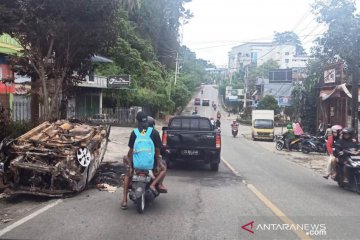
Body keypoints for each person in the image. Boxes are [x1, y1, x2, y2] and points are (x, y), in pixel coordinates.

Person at [121, 112, 167, 210]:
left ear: (137, 121)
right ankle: (156, 184)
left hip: (136, 164)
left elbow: (130, 151)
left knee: (127, 174)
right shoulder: (154, 133)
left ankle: (124, 201)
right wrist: (159, 163)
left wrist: (129, 164)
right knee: (163, 168)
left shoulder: (134, 133)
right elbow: (158, 150)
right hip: (150, 163)